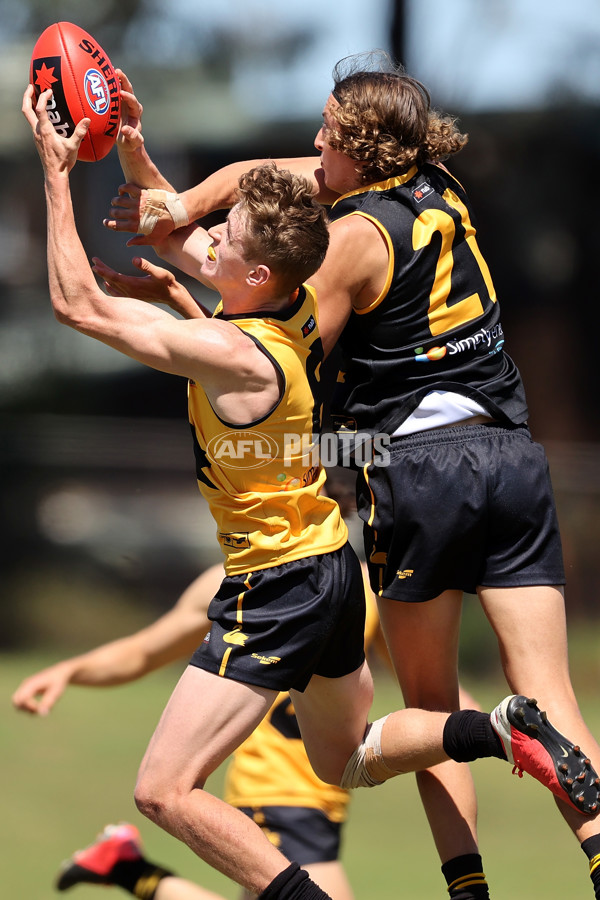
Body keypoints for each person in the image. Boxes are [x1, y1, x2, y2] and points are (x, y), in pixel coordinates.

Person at [22, 80, 600, 900]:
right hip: (384, 537)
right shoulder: (376, 236)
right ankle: (503, 732)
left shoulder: (272, 322)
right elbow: (227, 249)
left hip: (299, 566)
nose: (206, 235)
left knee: (163, 790)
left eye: (222, 236)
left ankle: (441, 859)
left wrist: (56, 170)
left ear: (257, 269)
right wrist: (138, 161)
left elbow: (77, 302)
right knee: (356, 756)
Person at [12, 559, 383, 900]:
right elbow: (145, 651)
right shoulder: (244, 579)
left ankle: (128, 869)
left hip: (329, 793)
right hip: (278, 791)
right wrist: (70, 671)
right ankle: (130, 870)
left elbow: (413, 675)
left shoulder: (362, 585)